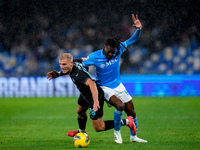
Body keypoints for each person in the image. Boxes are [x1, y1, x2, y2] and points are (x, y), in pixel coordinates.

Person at [81, 14, 147, 143]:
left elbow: (133, 39)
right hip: (104, 87)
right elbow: (81, 66)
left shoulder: (119, 48)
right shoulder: (95, 56)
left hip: (118, 85)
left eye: (113, 52)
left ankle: (134, 137)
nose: (111, 54)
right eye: (109, 51)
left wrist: (139, 29)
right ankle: (117, 133)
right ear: (105, 47)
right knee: (120, 105)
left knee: (131, 111)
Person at [47, 53, 136, 139]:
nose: (62, 67)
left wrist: (96, 101)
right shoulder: (75, 62)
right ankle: (82, 132)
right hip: (85, 93)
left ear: (71, 63)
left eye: (64, 64)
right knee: (80, 111)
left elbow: (92, 84)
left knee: (99, 127)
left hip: (94, 95)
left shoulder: (78, 74)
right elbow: (84, 59)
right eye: (60, 64)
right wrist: (59, 74)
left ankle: (127, 121)